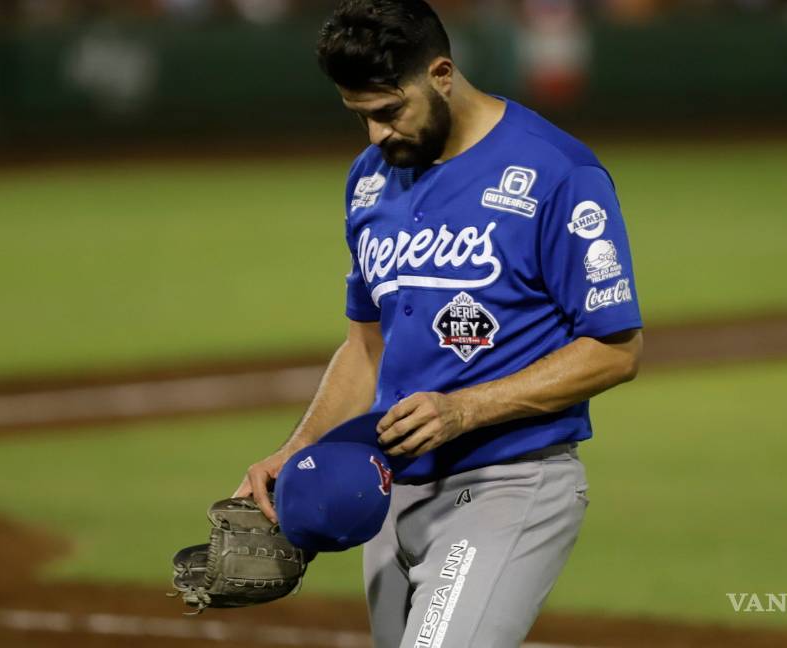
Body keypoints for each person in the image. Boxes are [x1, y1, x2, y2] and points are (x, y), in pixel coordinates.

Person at [233, 1, 644, 645]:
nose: (375, 136)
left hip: (510, 485)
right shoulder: (370, 181)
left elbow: (615, 350)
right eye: (359, 116)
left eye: (389, 111)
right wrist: (300, 449)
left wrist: (463, 410)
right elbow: (365, 349)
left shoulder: (557, 172)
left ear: (442, 74)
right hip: (389, 492)